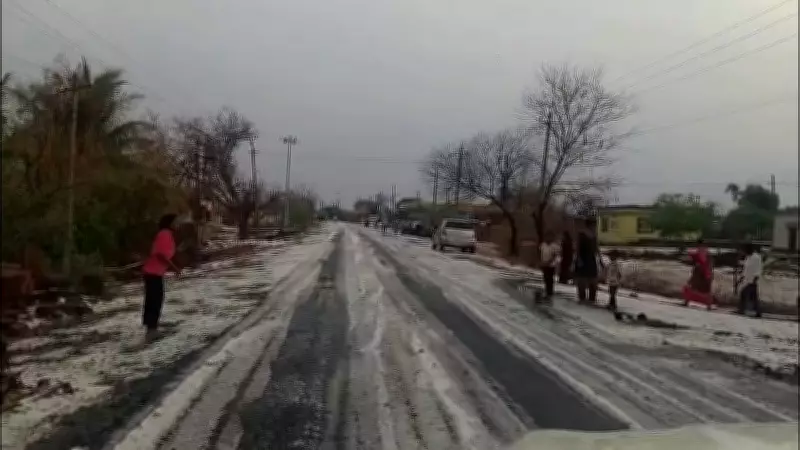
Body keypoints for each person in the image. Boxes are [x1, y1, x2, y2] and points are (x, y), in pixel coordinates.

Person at [141, 214, 181, 341]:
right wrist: (174, 267)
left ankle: (152, 326)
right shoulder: (164, 234)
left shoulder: (167, 234)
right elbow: (160, 255)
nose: (178, 224)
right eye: (176, 222)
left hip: (155, 272)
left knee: (155, 299)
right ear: (170, 223)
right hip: (152, 272)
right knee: (154, 300)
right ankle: (151, 331)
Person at [574, 218, 603, 304]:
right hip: (583, 258)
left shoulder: (594, 235)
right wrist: (578, 258)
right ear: (590, 225)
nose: (595, 227)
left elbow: (597, 249)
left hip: (591, 259)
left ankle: (592, 298)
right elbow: (578, 247)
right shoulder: (581, 234)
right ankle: (582, 297)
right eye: (594, 225)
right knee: (582, 279)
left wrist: (600, 260)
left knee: (593, 279)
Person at [682, 238, 714, 308]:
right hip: (707, 273)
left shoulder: (698, 252)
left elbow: (691, 258)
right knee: (706, 290)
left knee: (691, 286)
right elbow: (710, 264)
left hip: (699, 273)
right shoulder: (708, 253)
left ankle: (686, 302)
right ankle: (709, 305)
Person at [737, 243, 763, 317]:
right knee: (753, 297)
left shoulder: (757, 257)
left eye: (745, 250)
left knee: (744, 293)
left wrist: (755, 279)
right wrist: (741, 278)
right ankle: (758, 312)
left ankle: (741, 310)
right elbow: (746, 269)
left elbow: (758, 269)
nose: (744, 252)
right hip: (747, 280)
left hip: (752, 281)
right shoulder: (748, 257)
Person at [539, 233, 560, 299]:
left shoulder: (554, 246)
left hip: (551, 265)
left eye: (549, 237)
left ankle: (550, 291)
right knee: (545, 277)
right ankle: (547, 290)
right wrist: (541, 261)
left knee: (550, 278)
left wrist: (549, 261)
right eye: (547, 237)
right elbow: (540, 253)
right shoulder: (543, 245)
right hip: (544, 263)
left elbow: (555, 255)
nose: (548, 238)